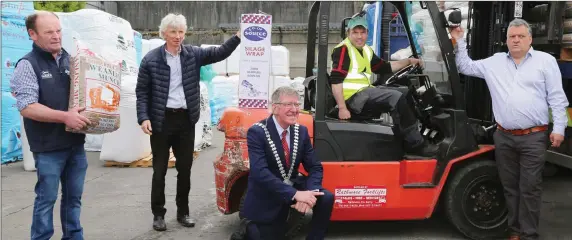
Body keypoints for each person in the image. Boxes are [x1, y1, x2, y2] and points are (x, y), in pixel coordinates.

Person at [451, 18, 568, 240]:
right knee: (510, 186)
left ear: (530, 39)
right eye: (512, 37)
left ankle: (529, 234)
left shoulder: (545, 62)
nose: (516, 40)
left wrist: (559, 128)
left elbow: (556, 97)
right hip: (504, 136)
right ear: (506, 40)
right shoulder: (495, 63)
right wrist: (459, 40)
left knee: (530, 187)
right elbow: (465, 67)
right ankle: (514, 230)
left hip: (534, 136)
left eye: (521, 36)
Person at [135, 13, 241, 231]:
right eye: (173, 32)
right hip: (161, 120)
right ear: (163, 33)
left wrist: (238, 36)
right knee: (160, 170)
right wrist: (144, 117)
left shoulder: (193, 54)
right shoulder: (151, 60)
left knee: (185, 169)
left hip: (185, 120)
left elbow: (219, 53)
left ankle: (183, 212)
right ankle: (158, 214)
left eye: (181, 32)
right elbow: (142, 92)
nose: (178, 36)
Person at [10, 11, 91, 240]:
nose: (56, 36)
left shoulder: (69, 59)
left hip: (75, 143)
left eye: (58, 30)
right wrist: (65, 117)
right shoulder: (28, 64)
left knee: (74, 199)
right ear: (32, 34)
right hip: (48, 148)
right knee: (46, 199)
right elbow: (27, 106)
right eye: (49, 32)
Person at [330, 15, 439, 157]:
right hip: (353, 100)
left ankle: (412, 135)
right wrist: (343, 108)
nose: (359, 37)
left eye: (362, 33)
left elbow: (384, 67)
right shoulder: (344, 49)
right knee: (396, 97)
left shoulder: (366, 50)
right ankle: (415, 144)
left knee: (405, 92)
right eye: (355, 33)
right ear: (348, 33)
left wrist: (408, 61)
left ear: (367, 33)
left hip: (363, 94)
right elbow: (336, 80)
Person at [240, 86, 334, 240]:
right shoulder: (257, 132)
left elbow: (315, 166)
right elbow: (259, 173)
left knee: (326, 197)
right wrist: (296, 194)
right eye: (289, 104)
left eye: (297, 105)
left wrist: (310, 194)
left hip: (292, 184)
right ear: (275, 108)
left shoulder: (301, 131)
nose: (294, 109)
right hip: (268, 191)